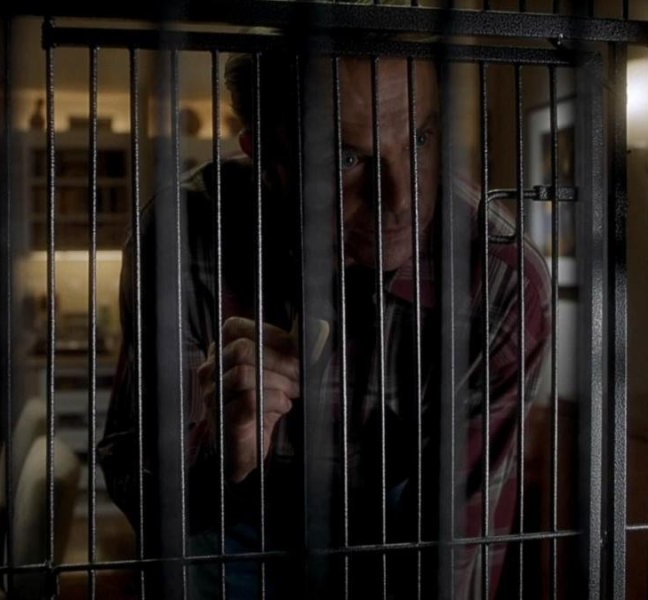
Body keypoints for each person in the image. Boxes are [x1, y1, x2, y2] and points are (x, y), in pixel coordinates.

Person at [98, 50, 551, 600]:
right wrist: (218, 454)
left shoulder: (499, 278)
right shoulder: (180, 240)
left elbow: (461, 546)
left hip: (397, 525)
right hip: (227, 524)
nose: (401, 198)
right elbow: (137, 487)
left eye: (420, 140)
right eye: (347, 158)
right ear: (264, 157)